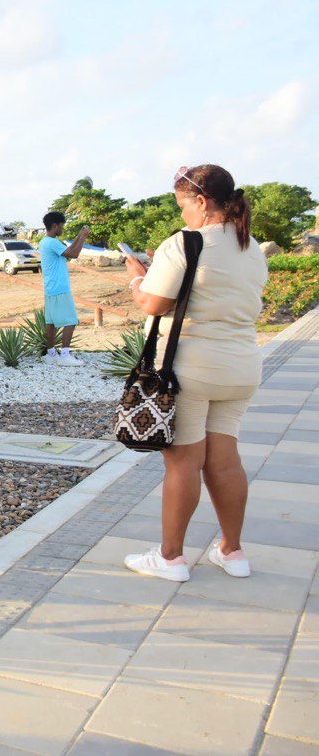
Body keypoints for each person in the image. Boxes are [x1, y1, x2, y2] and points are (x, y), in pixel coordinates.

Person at [122, 164, 266, 582]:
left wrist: (137, 279)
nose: (182, 214)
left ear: (201, 202)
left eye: (183, 205)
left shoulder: (185, 243)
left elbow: (153, 304)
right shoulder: (251, 246)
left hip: (192, 367)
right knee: (224, 461)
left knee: (183, 462)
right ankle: (233, 552)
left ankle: (170, 559)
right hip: (241, 365)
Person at [38, 212, 91, 366]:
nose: (62, 228)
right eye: (61, 225)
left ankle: (51, 354)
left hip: (50, 287)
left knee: (51, 322)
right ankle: (65, 355)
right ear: (55, 225)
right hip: (60, 288)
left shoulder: (46, 241)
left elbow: (68, 249)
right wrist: (83, 237)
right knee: (71, 320)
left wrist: (79, 236)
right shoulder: (52, 243)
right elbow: (74, 253)